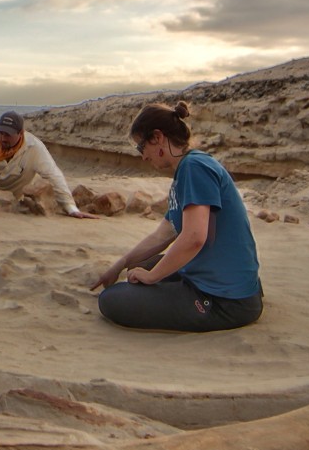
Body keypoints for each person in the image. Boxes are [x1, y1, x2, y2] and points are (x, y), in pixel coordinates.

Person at [90, 101, 263, 332]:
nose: (143, 157)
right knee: (138, 266)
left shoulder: (195, 168)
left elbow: (194, 237)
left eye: (141, 148)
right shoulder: (187, 170)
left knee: (111, 300)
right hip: (211, 277)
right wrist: (120, 265)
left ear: (158, 138)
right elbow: (163, 234)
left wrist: (152, 278)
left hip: (225, 300)